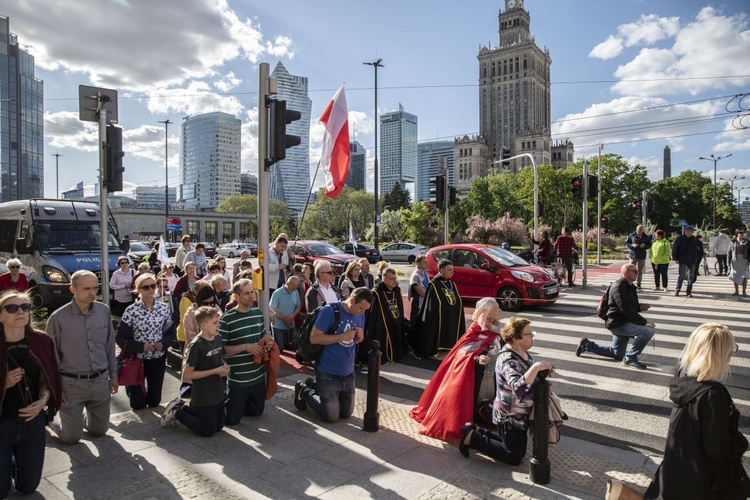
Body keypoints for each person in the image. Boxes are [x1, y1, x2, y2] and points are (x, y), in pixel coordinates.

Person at [639, 323, 750, 499]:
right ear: (717, 354)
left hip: (677, 473)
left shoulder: (682, 377)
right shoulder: (713, 394)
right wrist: (742, 442)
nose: (731, 353)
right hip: (703, 483)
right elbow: (719, 449)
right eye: (730, 348)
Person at [458, 317, 554, 465]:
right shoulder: (508, 360)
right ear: (516, 339)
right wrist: (536, 367)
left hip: (520, 413)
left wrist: (539, 374)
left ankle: (476, 430)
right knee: (513, 457)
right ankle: (472, 438)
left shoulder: (522, 352)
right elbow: (519, 387)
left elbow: (527, 376)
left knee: (516, 450)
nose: (533, 336)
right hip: (509, 415)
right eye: (529, 334)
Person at [410, 297, 503, 440]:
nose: (500, 310)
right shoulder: (476, 330)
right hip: (479, 374)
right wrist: (477, 359)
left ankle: (485, 415)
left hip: (491, 373)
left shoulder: (496, 328)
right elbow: (463, 353)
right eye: (497, 308)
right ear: (488, 312)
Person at [0, 291, 61, 498]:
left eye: (25, 307)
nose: (20, 312)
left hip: (32, 422)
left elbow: (48, 378)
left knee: (28, 487)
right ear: (0, 316)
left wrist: (43, 400)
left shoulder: (41, 341)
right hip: (2, 423)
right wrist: (4, 383)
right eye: (12, 308)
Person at [46, 270, 119, 444]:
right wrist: (56, 389)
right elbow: (51, 357)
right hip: (71, 384)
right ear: (73, 289)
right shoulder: (58, 318)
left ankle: (80, 419)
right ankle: (50, 418)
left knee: (99, 431)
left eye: (95, 288)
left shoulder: (103, 311)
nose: (92, 293)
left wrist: (113, 376)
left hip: (100, 381)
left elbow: (109, 345)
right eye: (86, 289)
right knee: (71, 438)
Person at [294, 287, 372, 423]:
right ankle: (304, 391)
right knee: (331, 416)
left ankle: (315, 385)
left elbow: (358, 340)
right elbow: (314, 338)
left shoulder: (360, 314)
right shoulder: (329, 311)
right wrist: (342, 336)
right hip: (328, 371)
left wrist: (360, 336)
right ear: (352, 300)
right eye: (361, 308)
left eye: (365, 309)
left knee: (346, 413)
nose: (362, 312)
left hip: (348, 373)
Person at [161, 306, 229, 437]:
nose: (218, 325)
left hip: (217, 392)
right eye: (215, 323)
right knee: (207, 431)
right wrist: (215, 371)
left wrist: (224, 367)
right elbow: (188, 374)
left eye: (218, 322)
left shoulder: (218, 338)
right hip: (203, 396)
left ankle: (183, 407)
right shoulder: (196, 345)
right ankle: (176, 412)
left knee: (218, 427)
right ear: (203, 325)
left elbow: (220, 358)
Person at [576, 264, 655, 370]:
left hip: (622, 321)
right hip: (618, 323)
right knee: (647, 331)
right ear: (626, 272)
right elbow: (625, 308)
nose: (637, 273)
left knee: (618, 354)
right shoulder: (619, 286)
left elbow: (630, 306)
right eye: (635, 271)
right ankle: (631, 358)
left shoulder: (629, 286)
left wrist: (640, 307)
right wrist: (644, 322)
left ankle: (587, 345)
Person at [116, 274, 176, 410]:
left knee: (154, 401)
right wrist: (140, 347)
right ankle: (132, 390)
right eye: (146, 287)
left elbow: (170, 332)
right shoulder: (131, 311)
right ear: (139, 290)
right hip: (137, 359)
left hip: (157, 358)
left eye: (152, 286)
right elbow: (120, 337)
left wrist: (164, 343)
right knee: (137, 404)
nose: (150, 289)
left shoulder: (163, 308)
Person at [220, 279, 267, 425]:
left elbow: (263, 339)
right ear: (236, 296)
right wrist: (245, 347)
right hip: (239, 379)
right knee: (232, 420)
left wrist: (267, 346)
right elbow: (221, 351)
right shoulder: (227, 319)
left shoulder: (257, 313)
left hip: (258, 376)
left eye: (252, 292)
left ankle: (237, 406)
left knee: (257, 412)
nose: (251, 296)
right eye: (246, 293)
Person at [410, 259, 465, 358]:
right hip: (438, 315)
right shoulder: (434, 284)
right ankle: (437, 346)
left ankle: (449, 344)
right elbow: (432, 304)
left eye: (452, 269)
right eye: (449, 270)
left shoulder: (452, 284)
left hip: (449, 313)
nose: (452, 272)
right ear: (442, 271)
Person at [366, 267, 406, 364]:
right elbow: (374, 314)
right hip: (382, 323)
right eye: (391, 279)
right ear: (384, 279)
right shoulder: (376, 292)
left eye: (395, 278)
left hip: (394, 319)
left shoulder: (396, 290)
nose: (394, 281)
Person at [269, 275, 302, 352]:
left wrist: (291, 317)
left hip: (290, 324)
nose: (294, 289)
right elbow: (272, 309)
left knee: (294, 346)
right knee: (279, 349)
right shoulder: (277, 293)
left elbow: (298, 307)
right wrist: (283, 318)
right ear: (287, 283)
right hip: (278, 325)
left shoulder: (295, 292)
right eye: (293, 287)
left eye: (296, 287)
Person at [672, 225, 698, 297]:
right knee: (682, 276)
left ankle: (689, 292)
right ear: (685, 231)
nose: (688, 233)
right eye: (687, 231)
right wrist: (675, 258)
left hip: (692, 260)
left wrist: (696, 259)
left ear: (692, 232)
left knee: (691, 276)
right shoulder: (680, 239)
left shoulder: (694, 239)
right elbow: (675, 249)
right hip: (682, 259)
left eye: (690, 231)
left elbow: (696, 250)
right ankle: (677, 290)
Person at [625, 225, 651, 289]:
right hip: (633, 255)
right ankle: (629, 282)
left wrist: (644, 246)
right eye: (637, 229)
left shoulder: (646, 237)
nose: (638, 231)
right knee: (630, 270)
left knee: (640, 271)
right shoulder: (632, 235)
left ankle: (639, 283)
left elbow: (649, 245)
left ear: (642, 230)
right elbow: (626, 243)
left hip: (641, 256)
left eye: (640, 230)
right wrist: (632, 245)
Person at [408, 256, 429, 325]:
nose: (427, 263)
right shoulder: (415, 276)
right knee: (415, 325)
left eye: (427, 262)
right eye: (424, 262)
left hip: (424, 303)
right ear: (418, 264)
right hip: (417, 304)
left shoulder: (425, 273)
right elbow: (421, 293)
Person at [728, 228, 748, 296]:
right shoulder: (732, 241)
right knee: (735, 276)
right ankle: (736, 291)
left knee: (744, 276)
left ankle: (744, 292)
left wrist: (749, 260)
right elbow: (729, 252)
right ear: (737, 234)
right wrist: (728, 262)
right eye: (740, 233)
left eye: (742, 233)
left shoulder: (747, 242)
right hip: (735, 260)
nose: (742, 234)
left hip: (744, 260)